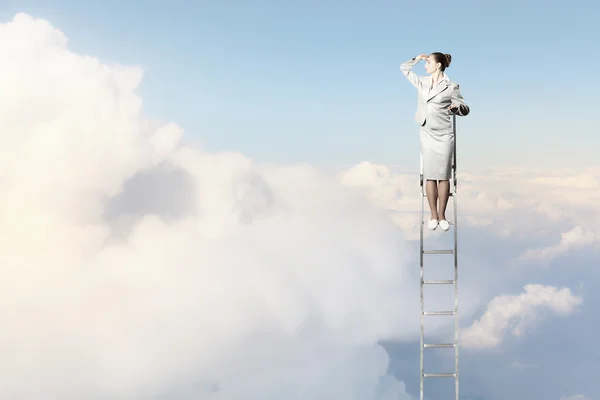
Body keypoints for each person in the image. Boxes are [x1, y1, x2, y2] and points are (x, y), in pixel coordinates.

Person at [400, 52, 470, 231]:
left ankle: (442, 215)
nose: (426, 65)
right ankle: (432, 215)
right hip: (427, 131)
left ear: (438, 65)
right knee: (430, 174)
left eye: (429, 62)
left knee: (444, 174)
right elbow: (404, 69)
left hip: (444, 133)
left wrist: (457, 107)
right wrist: (417, 59)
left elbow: (465, 108)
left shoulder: (451, 86)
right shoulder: (422, 82)